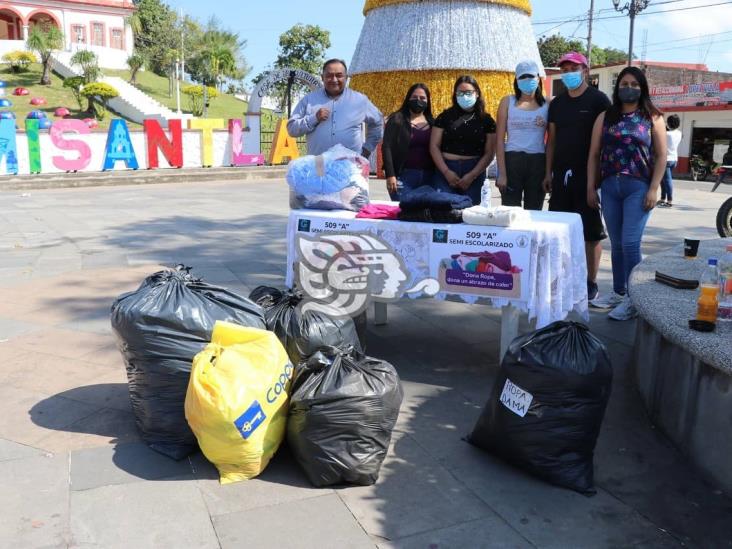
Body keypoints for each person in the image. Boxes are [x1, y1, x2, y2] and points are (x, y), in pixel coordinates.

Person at [587, 66, 666, 320]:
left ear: (642, 88)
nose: (628, 88)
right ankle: (619, 292)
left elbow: (661, 155)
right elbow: (594, 154)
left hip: (638, 187)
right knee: (617, 243)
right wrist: (591, 186)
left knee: (631, 242)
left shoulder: (652, 117)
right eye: (624, 83)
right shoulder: (605, 117)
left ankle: (635, 299)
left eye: (634, 84)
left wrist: (654, 188)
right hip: (610, 186)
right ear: (617, 87)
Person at [543, 52, 611, 303]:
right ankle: (562, 278)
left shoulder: (598, 100)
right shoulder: (557, 104)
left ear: (585, 70)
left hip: (588, 175)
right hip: (560, 175)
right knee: (558, 230)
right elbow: (551, 141)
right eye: (565, 68)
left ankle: (590, 283)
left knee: (590, 233)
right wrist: (548, 172)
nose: (569, 72)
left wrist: (597, 179)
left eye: (574, 67)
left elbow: (606, 139)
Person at [287, 59, 383, 158]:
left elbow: (378, 122)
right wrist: (314, 118)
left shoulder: (359, 100)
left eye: (339, 75)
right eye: (329, 76)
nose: (334, 80)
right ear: (322, 78)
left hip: (351, 167)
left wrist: (367, 148)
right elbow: (291, 129)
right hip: (319, 166)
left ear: (346, 77)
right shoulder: (309, 100)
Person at [430, 75, 497, 205]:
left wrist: (472, 175)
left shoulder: (487, 121)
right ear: (455, 95)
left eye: (468, 92)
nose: (464, 96)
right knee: (444, 212)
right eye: (460, 93)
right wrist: (446, 172)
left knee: (472, 215)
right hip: (446, 170)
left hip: (474, 171)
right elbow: (434, 146)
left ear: (477, 93)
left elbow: (489, 152)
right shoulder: (444, 117)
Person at [495, 59, 549, 210]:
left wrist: (548, 173)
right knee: (510, 212)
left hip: (538, 162)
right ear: (516, 80)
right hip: (512, 160)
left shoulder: (548, 104)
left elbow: (552, 141)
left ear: (538, 78)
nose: (528, 80)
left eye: (531, 77)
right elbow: (499, 140)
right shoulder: (507, 102)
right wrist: (502, 174)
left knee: (534, 212)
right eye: (523, 77)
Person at [382, 83, 435, 201]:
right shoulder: (397, 119)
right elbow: (386, 147)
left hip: (429, 178)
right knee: (404, 213)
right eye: (414, 98)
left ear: (428, 101)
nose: (418, 101)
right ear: (408, 99)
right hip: (403, 177)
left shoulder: (433, 123)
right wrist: (390, 175)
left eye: (422, 98)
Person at [659, 114, 681, 207]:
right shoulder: (679, 133)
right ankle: (663, 198)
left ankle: (669, 201)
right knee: (664, 180)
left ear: (669, 123)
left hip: (666, 159)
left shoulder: (667, 134)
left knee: (667, 180)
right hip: (674, 159)